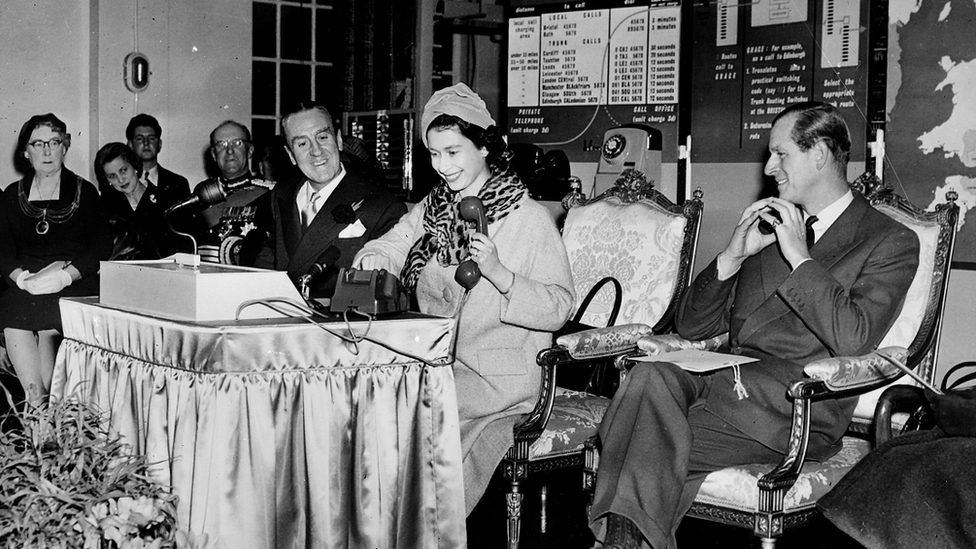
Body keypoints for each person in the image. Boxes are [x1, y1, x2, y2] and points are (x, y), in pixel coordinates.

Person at [590, 101, 921, 549]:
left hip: (792, 409)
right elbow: (691, 327)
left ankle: (622, 542)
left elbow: (855, 337)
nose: (769, 167)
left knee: (629, 436)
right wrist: (733, 257)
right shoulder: (772, 224)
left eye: (781, 154)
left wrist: (799, 256)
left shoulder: (888, 239)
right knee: (649, 381)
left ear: (820, 155)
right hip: (721, 383)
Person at [353, 83, 575, 513]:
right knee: (366, 414)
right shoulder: (435, 208)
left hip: (498, 381)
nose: (442, 166)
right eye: (434, 154)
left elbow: (559, 307)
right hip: (440, 368)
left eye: (453, 152)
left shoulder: (528, 218)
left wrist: (501, 275)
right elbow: (395, 242)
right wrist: (374, 258)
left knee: (402, 432)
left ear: (485, 147)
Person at [0, 113, 112, 406]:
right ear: (26, 152)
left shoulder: (85, 192)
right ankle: (35, 410)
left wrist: (65, 276)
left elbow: (102, 246)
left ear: (65, 146)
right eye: (38, 144)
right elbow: (2, 249)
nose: (47, 151)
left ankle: (53, 414)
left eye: (54, 142)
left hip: (72, 284)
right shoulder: (13, 195)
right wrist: (21, 277)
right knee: (14, 308)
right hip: (27, 286)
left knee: (55, 386)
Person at [254, 105, 406, 298]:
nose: (316, 151)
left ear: (339, 140)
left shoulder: (383, 206)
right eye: (302, 144)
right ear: (291, 155)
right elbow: (269, 258)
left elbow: (386, 292)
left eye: (323, 137)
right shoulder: (281, 194)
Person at [181, 120, 275, 265]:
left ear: (250, 150)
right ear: (213, 154)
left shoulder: (269, 193)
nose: (229, 151)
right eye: (221, 145)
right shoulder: (202, 194)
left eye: (237, 143)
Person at [95, 142, 184, 258]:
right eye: (112, 176)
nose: (121, 180)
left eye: (123, 170)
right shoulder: (106, 207)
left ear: (134, 166)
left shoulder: (165, 199)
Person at [125, 113, 191, 198]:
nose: (146, 143)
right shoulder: (120, 183)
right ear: (130, 145)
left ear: (159, 144)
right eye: (139, 139)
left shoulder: (178, 184)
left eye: (151, 138)